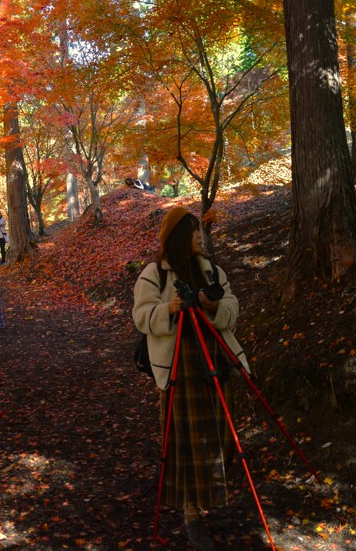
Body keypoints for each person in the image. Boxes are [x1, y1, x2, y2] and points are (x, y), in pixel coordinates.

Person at [132, 207, 250, 551]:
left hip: (214, 361)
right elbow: (141, 316)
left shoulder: (212, 270)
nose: (200, 237)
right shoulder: (154, 274)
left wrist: (212, 307)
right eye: (194, 232)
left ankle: (210, 494)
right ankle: (190, 514)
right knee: (184, 439)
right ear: (178, 237)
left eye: (200, 231)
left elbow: (232, 307)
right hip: (180, 367)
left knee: (218, 432)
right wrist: (169, 309)